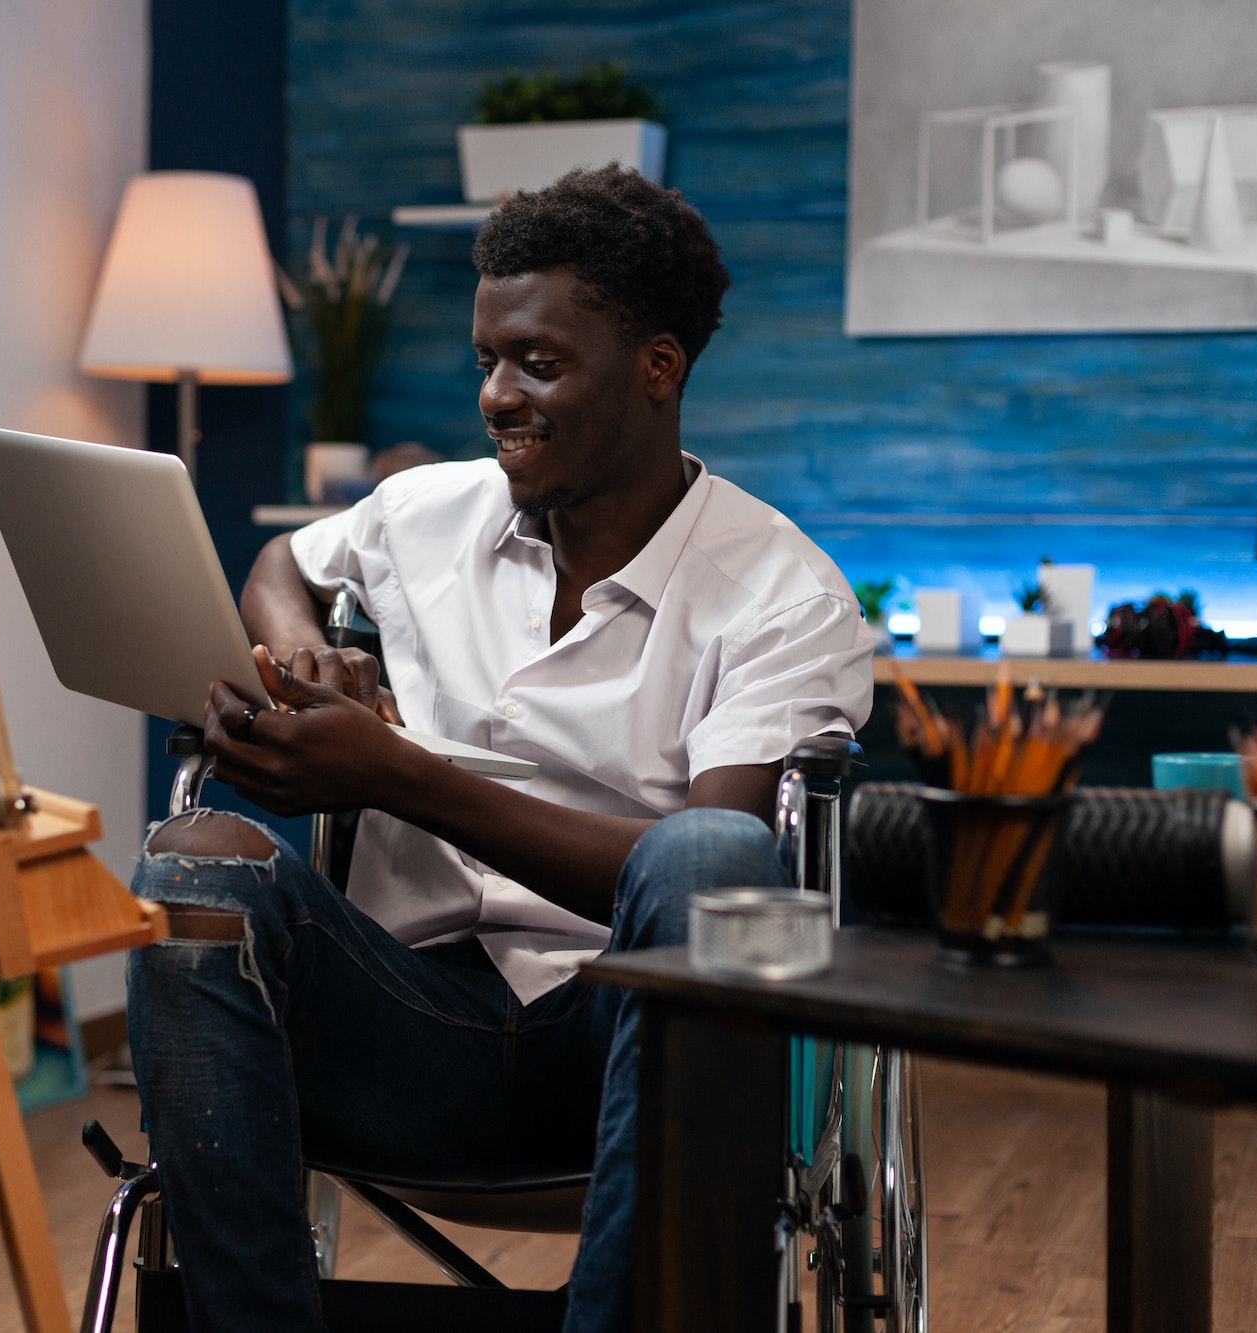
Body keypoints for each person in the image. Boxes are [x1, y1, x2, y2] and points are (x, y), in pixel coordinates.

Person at [126, 164, 876, 1332]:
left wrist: (403, 782)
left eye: (537, 362)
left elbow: (718, 885)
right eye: (485, 360)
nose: (494, 395)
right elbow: (283, 568)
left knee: (706, 857)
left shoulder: (780, 595)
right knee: (193, 862)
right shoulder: (429, 510)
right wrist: (303, 660)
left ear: (658, 368)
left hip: (621, 1048)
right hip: (404, 1025)